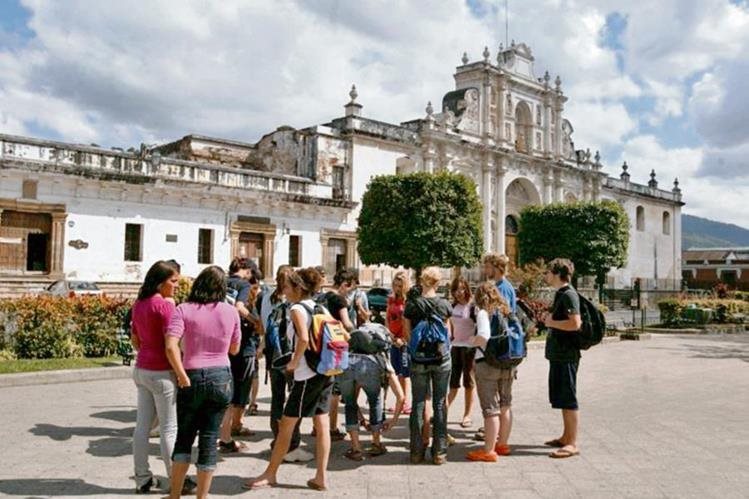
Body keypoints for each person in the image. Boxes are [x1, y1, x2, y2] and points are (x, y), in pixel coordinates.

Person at [245, 268, 333, 491]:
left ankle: (270, 473)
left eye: (286, 286)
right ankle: (320, 477)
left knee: (286, 425)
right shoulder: (320, 306)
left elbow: (303, 338)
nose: (283, 290)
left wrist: (293, 363)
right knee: (322, 424)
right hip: (325, 372)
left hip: (306, 375)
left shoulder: (296, 308)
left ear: (297, 287)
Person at [165, 266, 241, 499]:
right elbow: (235, 349)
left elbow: (170, 346)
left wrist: (181, 374)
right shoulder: (231, 311)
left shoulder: (183, 309)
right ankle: (203, 496)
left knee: (184, 437)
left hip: (192, 374)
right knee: (209, 439)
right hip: (221, 375)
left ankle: (175, 494)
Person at [130, 261, 196, 495]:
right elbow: (173, 343)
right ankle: (176, 478)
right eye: (173, 281)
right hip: (162, 372)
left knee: (142, 427)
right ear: (161, 282)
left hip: (142, 369)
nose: (177, 286)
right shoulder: (165, 307)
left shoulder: (139, 304)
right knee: (169, 428)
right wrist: (180, 372)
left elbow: (135, 339)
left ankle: (142, 478)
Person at [259, 265, 314, 463]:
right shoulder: (295, 304)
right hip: (291, 359)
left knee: (277, 399)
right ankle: (292, 445)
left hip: (275, 356)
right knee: (294, 403)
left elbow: (263, 324)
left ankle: (278, 440)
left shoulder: (267, 297)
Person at [403, 266, 453, 465]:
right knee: (440, 402)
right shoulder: (443, 304)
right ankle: (439, 452)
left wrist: (415, 350)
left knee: (418, 403)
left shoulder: (412, 304)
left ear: (422, 281)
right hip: (441, 359)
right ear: (438, 282)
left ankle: (416, 452)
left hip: (419, 359)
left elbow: (407, 332)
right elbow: (447, 333)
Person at [339, 323, 406, 461]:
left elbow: (350, 401)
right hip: (369, 366)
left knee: (349, 405)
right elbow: (401, 397)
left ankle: (356, 448)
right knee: (375, 400)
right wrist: (393, 421)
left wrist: (362, 419)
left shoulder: (349, 352)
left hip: (345, 365)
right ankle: (376, 443)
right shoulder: (382, 358)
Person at [466, 282, 515, 462]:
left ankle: (488, 450)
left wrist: (472, 340)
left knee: (490, 409)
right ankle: (502, 444)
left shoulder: (483, 312)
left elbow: (484, 336)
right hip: (508, 364)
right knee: (505, 404)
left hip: (487, 364)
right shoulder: (506, 311)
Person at [540, 258, 582, 459]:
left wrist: (551, 323)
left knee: (568, 397)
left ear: (557, 273)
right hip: (559, 354)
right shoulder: (562, 294)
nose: (546, 275)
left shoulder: (569, 295)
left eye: (548, 272)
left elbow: (575, 324)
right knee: (562, 396)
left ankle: (572, 443)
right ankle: (566, 436)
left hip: (566, 354)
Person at [218, 258, 261, 452]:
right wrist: (254, 321)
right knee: (239, 389)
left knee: (226, 387)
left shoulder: (221, 282)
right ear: (246, 270)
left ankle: (225, 429)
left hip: (222, 341)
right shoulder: (242, 284)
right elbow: (239, 307)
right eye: (251, 273)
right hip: (241, 343)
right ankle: (230, 430)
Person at [323, 268, 358, 441]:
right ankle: (332, 427)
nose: (350, 291)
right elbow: (347, 323)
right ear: (345, 284)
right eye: (350, 288)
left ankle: (319, 426)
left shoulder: (322, 297)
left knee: (324, 387)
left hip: (321, 346)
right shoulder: (339, 299)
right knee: (335, 390)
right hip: (337, 347)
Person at [447, 276, 476, 429]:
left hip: (469, 348)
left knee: (468, 382)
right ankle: (443, 411)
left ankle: (467, 414)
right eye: (456, 289)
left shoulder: (472, 307)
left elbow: (480, 326)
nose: (459, 292)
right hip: (455, 347)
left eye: (462, 289)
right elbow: (449, 324)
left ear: (467, 289)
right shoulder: (453, 306)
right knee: (453, 381)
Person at [384, 271, 411, 415]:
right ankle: (399, 401)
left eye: (400, 285)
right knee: (394, 372)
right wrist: (389, 333)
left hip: (404, 340)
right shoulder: (391, 299)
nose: (397, 288)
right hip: (392, 339)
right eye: (395, 285)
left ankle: (405, 403)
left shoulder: (407, 301)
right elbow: (387, 317)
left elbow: (408, 322)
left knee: (403, 373)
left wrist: (404, 339)